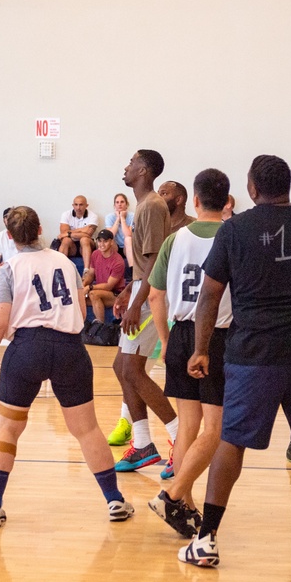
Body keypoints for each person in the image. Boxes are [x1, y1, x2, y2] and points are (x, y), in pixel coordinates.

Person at [177, 155, 291, 570]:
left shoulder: (234, 230)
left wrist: (202, 348)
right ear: (289, 186)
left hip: (251, 356)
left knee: (231, 442)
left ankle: (206, 540)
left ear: (252, 189)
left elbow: (209, 297)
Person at [0, 206, 134, 528]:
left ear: (9, 237)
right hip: (69, 349)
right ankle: (114, 500)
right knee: (87, 429)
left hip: (26, 349)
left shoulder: (9, 268)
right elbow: (79, 308)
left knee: (7, 428)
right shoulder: (66, 262)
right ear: (39, 230)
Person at [147, 168, 233, 539]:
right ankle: (172, 494)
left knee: (189, 427)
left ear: (195, 201)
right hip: (216, 336)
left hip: (181, 333)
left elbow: (155, 294)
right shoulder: (234, 236)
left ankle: (186, 506)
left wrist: (165, 341)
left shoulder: (175, 238)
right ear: (227, 201)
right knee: (216, 428)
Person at [106, 150, 178, 472]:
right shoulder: (145, 205)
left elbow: (153, 263)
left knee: (131, 370)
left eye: (131, 161)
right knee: (122, 367)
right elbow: (145, 265)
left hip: (151, 294)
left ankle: (179, 437)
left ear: (144, 170)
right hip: (141, 288)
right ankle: (143, 443)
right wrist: (127, 291)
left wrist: (137, 302)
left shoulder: (150, 205)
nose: (126, 166)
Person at [81, 229, 126, 323]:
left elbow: (109, 286)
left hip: (115, 294)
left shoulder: (118, 261)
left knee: (93, 294)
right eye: (100, 241)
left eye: (105, 241)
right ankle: (82, 327)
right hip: (99, 290)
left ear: (111, 242)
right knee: (77, 297)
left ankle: (100, 325)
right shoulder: (95, 254)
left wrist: (89, 287)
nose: (102, 244)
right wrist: (83, 285)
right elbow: (91, 274)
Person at [56, 195, 98, 271]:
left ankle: (86, 271)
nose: (78, 207)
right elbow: (63, 233)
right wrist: (82, 230)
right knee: (66, 240)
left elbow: (88, 234)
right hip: (72, 246)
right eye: (76, 204)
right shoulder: (66, 214)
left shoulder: (93, 216)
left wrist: (69, 233)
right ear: (73, 205)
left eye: (81, 205)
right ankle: (60, 270)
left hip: (87, 245)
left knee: (84, 239)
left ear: (86, 205)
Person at [104, 193, 135, 260]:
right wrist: (118, 218)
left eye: (122, 202)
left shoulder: (133, 216)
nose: (119, 204)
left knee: (128, 239)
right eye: (117, 202)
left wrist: (122, 218)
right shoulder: (109, 217)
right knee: (109, 240)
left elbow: (128, 234)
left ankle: (132, 268)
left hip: (128, 246)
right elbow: (110, 235)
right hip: (115, 246)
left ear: (126, 205)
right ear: (114, 205)